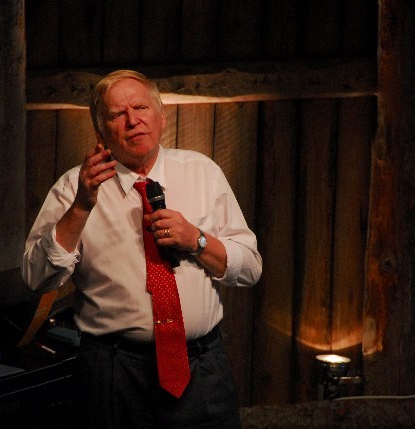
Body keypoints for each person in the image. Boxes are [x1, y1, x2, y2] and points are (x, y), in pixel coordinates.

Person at [22, 69, 262, 429]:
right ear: (100, 130)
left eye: (141, 107)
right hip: (114, 372)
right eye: (118, 115)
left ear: (161, 116)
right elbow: (37, 278)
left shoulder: (202, 172)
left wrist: (197, 240)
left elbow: (250, 269)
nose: (133, 120)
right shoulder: (75, 187)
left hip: (202, 368)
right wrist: (82, 207)